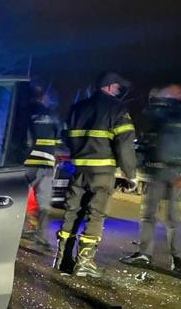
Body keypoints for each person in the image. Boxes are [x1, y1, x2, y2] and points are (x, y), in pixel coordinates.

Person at [54, 71, 137, 277]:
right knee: (96, 214)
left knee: (72, 211)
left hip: (78, 170)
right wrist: (130, 174)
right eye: (117, 87)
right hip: (102, 172)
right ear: (109, 86)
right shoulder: (117, 109)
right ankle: (84, 263)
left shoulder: (77, 108)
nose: (118, 91)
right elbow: (125, 144)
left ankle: (62, 259)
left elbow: (66, 136)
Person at [121, 84, 181, 274]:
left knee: (171, 218)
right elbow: (148, 137)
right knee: (150, 215)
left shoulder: (174, 113)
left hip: (173, 173)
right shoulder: (161, 112)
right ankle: (146, 254)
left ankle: (178, 259)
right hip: (156, 171)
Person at [21, 84, 61, 252]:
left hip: (26, 164)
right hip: (46, 164)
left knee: (18, 199)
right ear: (43, 97)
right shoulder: (52, 115)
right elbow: (58, 140)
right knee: (44, 204)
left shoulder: (22, 112)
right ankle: (42, 238)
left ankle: (21, 230)